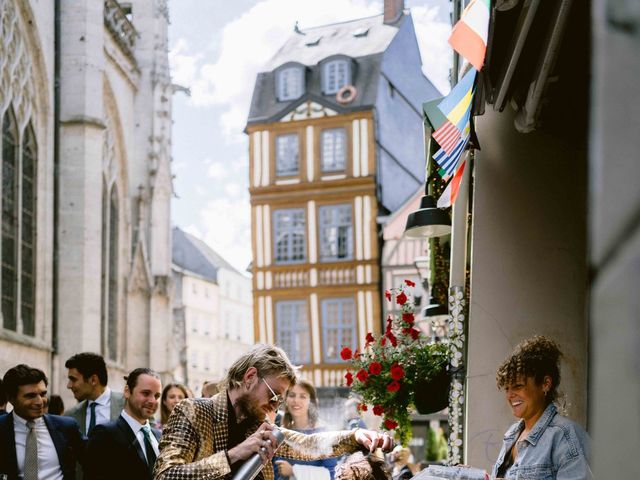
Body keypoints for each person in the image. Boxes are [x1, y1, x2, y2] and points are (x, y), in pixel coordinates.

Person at [154, 344, 394, 480]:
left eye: (281, 400)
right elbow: (165, 475)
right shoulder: (193, 411)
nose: (276, 405)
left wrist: (355, 437)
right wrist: (235, 454)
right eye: (275, 395)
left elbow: (308, 445)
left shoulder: (255, 423)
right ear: (249, 377)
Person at [491, 336, 591, 479]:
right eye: (507, 388)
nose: (510, 395)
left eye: (518, 386)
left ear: (545, 384)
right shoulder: (512, 434)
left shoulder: (565, 435)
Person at [0, 364, 86, 479]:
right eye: (30, 396)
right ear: (11, 398)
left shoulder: (66, 427)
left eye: (43, 394)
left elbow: (94, 462)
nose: (40, 402)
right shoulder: (2, 428)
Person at [85, 368, 162, 480]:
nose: (153, 401)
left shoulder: (159, 436)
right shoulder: (104, 435)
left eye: (157, 396)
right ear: (127, 391)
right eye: (146, 393)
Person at [273, 379, 337, 480]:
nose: (296, 400)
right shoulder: (281, 433)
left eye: (302, 396)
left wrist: (293, 470)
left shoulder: (324, 433)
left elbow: (331, 474)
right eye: (292, 395)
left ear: (310, 401)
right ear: (286, 399)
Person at [64, 352, 125, 435]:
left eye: (73, 380)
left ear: (93, 380)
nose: (69, 385)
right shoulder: (70, 416)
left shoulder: (128, 405)